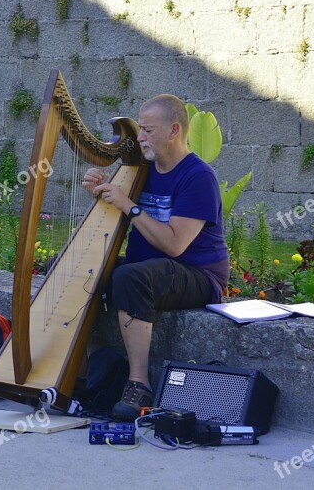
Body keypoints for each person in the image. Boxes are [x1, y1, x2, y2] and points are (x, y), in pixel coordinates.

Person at [82, 94, 229, 421]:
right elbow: (119, 216)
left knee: (129, 277)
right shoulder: (142, 170)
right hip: (150, 271)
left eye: (147, 130)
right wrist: (102, 191)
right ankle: (77, 374)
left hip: (197, 275)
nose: (139, 138)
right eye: (140, 130)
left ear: (174, 130)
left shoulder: (197, 177)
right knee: (80, 272)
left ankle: (138, 384)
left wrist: (127, 205)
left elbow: (175, 245)